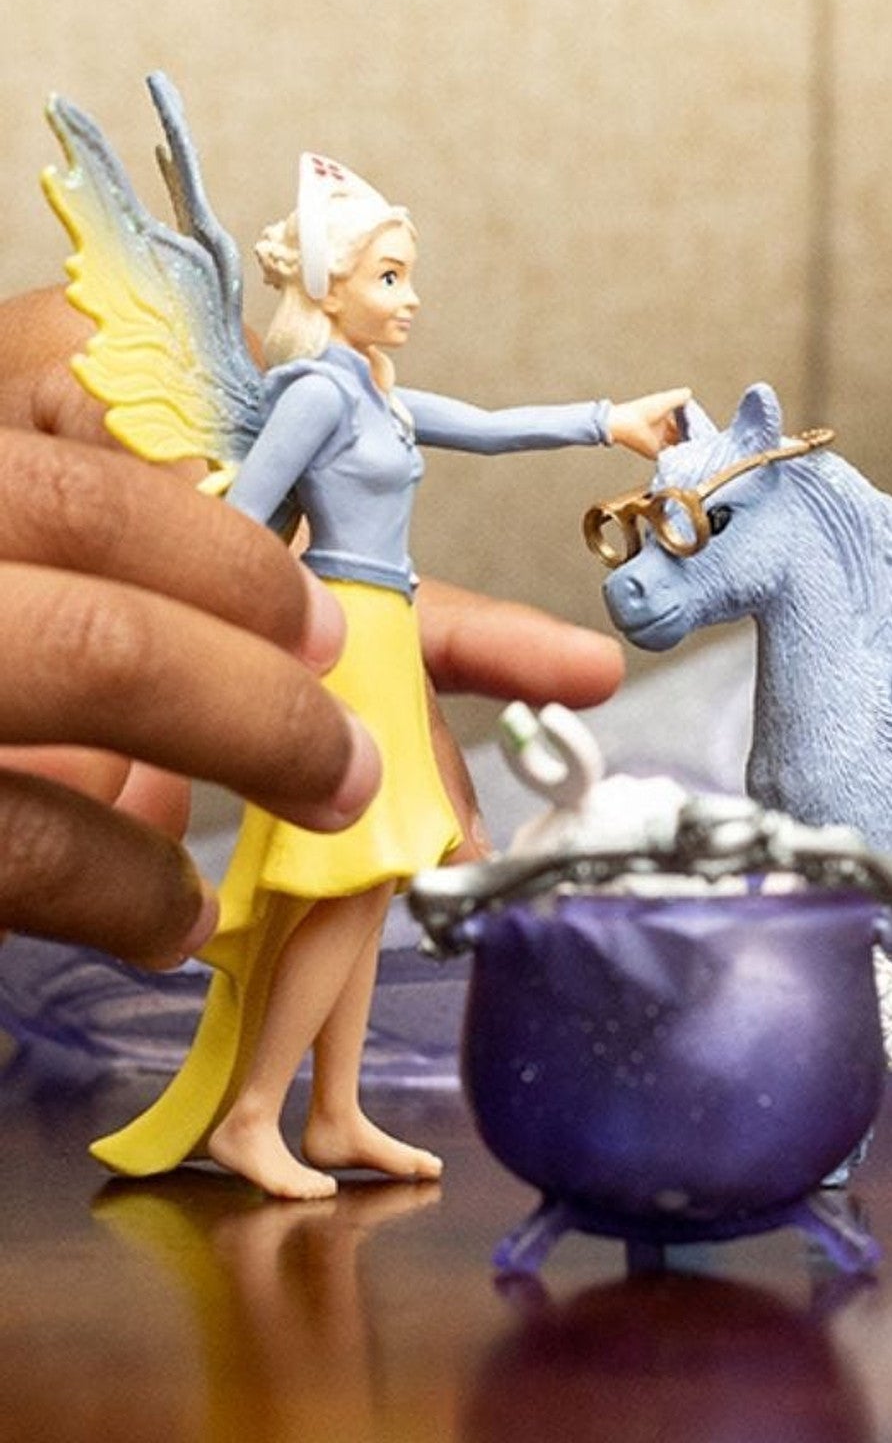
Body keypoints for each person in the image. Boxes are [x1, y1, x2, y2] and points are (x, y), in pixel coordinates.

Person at [61, 152, 688, 1200]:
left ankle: (337, 1112)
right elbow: (239, 517)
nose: (409, 297)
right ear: (330, 284)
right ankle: (254, 1114)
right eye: (388, 276)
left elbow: (486, 427)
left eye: (407, 276)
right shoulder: (314, 393)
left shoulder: (374, 389)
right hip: (344, 633)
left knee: (379, 873)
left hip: (388, 631)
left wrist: (606, 420)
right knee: (356, 870)